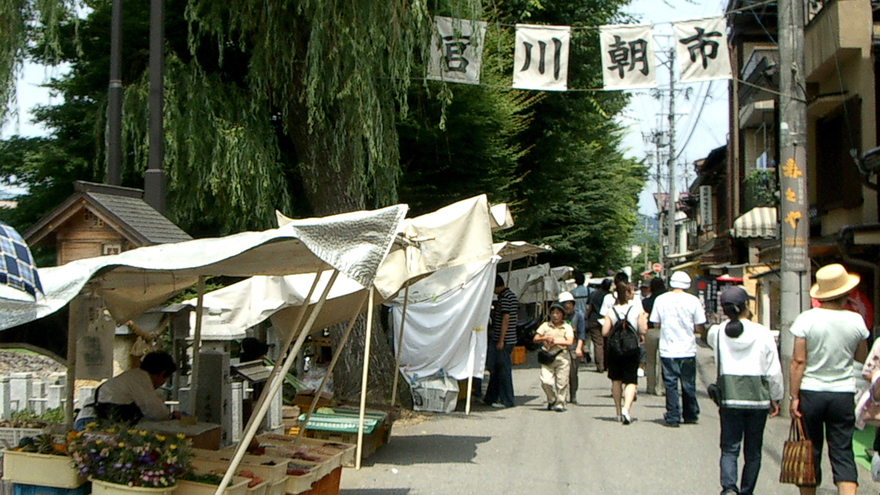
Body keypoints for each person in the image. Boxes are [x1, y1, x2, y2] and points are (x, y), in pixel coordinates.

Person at [789, 264, 869, 495]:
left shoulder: (806, 319)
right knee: (843, 452)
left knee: (809, 451)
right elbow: (860, 358)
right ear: (845, 292)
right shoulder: (856, 321)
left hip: (811, 392)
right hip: (843, 393)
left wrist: (794, 397)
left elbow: (798, 361)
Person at [707, 286, 783, 495]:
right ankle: (746, 491)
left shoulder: (717, 332)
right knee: (753, 452)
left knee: (730, 448)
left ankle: (729, 488)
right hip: (758, 400)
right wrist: (776, 397)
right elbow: (773, 370)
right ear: (746, 306)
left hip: (729, 398)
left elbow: (713, 340)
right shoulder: (762, 333)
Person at [649, 271, 706, 427]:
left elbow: (655, 322)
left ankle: (673, 416)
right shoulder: (693, 301)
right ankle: (690, 413)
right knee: (688, 383)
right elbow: (700, 324)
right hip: (687, 347)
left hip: (668, 348)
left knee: (670, 383)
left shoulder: (661, 299)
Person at [75, 351, 180, 429]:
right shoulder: (140, 379)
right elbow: (157, 413)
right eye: (164, 379)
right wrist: (172, 416)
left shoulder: (133, 376)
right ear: (162, 373)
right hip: (92, 423)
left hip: (87, 418)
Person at [601, 281, 647, 424]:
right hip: (631, 349)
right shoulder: (636, 309)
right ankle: (627, 408)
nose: (633, 293)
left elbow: (605, 331)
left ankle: (618, 411)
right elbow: (643, 330)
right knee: (631, 381)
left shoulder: (611, 311)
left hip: (615, 350)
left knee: (616, 380)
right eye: (631, 290)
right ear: (627, 293)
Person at [484, 274, 518, 409]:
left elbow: (506, 318)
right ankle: (491, 397)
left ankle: (507, 400)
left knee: (503, 370)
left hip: (503, 339)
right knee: (496, 369)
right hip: (509, 337)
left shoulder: (505, 298)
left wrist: (501, 340)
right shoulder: (512, 296)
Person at [534, 302, 574, 411]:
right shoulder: (545, 326)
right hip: (547, 358)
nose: (555, 315)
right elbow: (536, 338)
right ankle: (551, 399)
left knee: (562, 383)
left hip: (562, 357)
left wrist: (555, 341)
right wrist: (545, 338)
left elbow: (570, 341)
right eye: (553, 313)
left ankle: (560, 403)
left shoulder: (567, 327)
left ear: (562, 315)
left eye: (558, 313)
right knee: (545, 381)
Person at [559, 291, 586, 404]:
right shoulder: (557, 316)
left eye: (570, 303)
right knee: (561, 374)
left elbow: (581, 334)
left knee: (573, 374)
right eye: (565, 304)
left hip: (573, 348)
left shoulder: (578, 316)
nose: (567, 306)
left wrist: (579, 348)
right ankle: (561, 395)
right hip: (560, 348)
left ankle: (573, 393)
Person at [642, 277, 666, 395]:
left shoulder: (646, 302)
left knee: (650, 361)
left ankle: (650, 387)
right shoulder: (667, 300)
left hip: (651, 331)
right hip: (665, 331)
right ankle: (660, 388)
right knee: (663, 361)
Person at [586, 278, 612, 373]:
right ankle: (607, 364)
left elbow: (589, 307)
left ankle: (600, 365)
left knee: (598, 343)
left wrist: (586, 317)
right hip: (607, 320)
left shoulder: (594, 294)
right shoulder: (610, 296)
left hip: (594, 319)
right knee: (607, 342)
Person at [570, 273, 591, 363]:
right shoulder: (590, 291)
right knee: (587, 335)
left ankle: (581, 353)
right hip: (587, 316)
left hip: (576, 316)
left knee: (578, 334)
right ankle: (586, 349)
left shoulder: (572, 292)